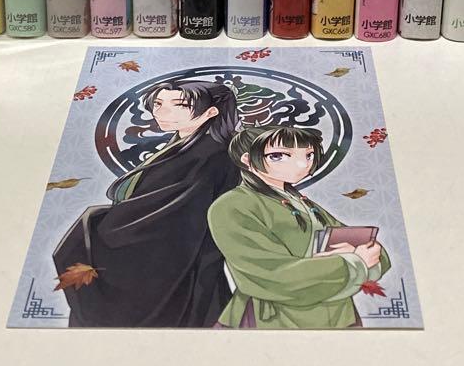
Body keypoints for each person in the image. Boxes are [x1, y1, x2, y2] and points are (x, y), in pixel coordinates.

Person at [52, 79, 241, 328]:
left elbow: (172, 213)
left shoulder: (211, 155)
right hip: (177, 257)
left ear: (211, 112)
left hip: (179, 258)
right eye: (158, 104)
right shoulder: (186, 143)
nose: (162, 112)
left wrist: (95, 222)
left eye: (179, 105)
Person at [208, 124, 390, 329]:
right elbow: (271, 274)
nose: (302, 164)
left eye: (308, 155)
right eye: (279, 156)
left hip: (337, 313)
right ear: (247, 160)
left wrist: (370, 252)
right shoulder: (233, 205)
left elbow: (361, 243)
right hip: (275, 319)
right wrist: (354, 261)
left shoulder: (302, 202)